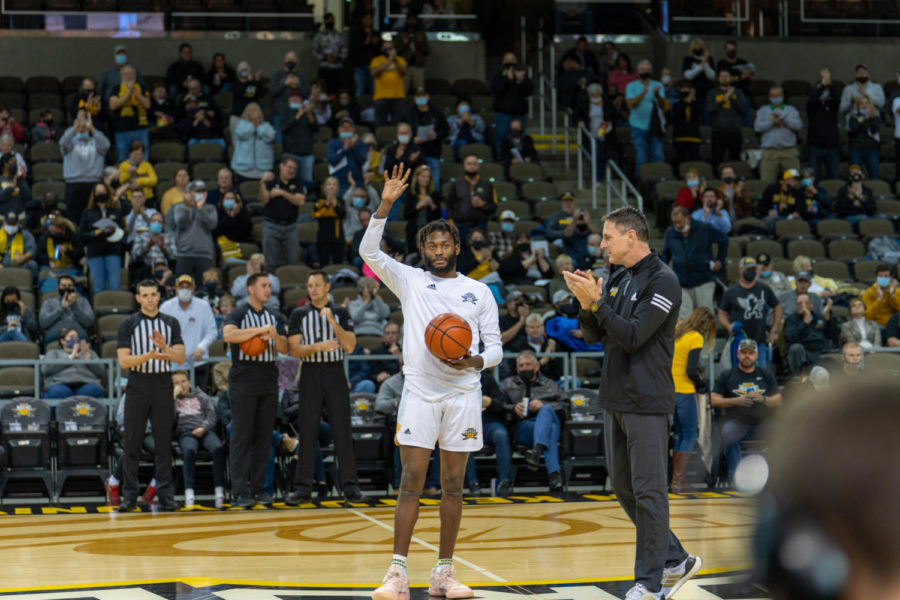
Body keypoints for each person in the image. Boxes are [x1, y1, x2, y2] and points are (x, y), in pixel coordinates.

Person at [363, 166, 502, 600]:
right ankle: (397, 573)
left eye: (445, 244)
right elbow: (368, 251)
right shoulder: (410, 280)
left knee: (454, 486)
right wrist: (385, 204)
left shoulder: (478, 292)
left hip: (462, 393)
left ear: (457, 247)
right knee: (411, 481)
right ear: (422, 249)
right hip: (420, 392)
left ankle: (443, 572)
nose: (439, 251)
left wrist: (474, 360)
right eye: (431, 245)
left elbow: (496, 347)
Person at [564, 206, 701, 600]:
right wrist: (585, 302)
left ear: (631, 237)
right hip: (615, 397)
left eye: (607, 237)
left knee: (649, 491)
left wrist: (599, 303)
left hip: (647, 401)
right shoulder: (618, 278)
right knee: (624, 488)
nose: (601, 243)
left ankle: (650, 583)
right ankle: (676, 558)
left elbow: (634, 335)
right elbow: (595, 335)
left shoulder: (664, 281)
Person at [285, 270, 363, 505]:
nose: (313, 289)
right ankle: (302, 488)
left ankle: (350, 487)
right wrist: (318, 347)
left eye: (318, 284)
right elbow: (294, 350)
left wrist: (332, 323)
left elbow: (349, 346)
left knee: (342, 430)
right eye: (310, 285)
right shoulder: (298, 314)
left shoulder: (340, 312)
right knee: (308, 431)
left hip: (335, 372)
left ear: (328, 287)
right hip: (310, 373)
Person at [115, 279, 186, 512]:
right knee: (132, 443)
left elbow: (180, 358)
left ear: (159, 296)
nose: (149, 299)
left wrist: (164, 349)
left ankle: (166, 497)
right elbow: (124, 361)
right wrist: (149, 355)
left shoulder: (171, 323)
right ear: (138, 298)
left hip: (163, 384)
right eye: (144, 295)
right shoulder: (128, 324)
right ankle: (129, 496)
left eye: (153, 295)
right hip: (137, 384)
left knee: (164, 444)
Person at [222, 272, 289, 507]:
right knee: (241, 435)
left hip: (269, 374)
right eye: (264, 286)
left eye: (269, 286)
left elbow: (284, 346)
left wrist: (274, 335)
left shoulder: (275, 315)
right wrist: (258, 332)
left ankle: (261, 489)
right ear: (251, 289)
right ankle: (240, 492)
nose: (268, 290)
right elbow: (228, 334)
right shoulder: (238, 313)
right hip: (244, 375)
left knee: (264, 436)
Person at [709, 338, 780, 483]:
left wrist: (763, 399)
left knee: (780, 432)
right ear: (737, 355)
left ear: (756, 355)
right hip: (737, 423)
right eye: (743, 352)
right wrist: (736, 400)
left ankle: (775, 477)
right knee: (728, 432)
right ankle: (735, 478)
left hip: (761, 423)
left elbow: (779, 400)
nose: (747, 355)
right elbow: (713, 400)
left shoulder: (766, 374)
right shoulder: (727, 375)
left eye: (750, 353)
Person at [500, 350, 564, 493]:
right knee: (551, 430)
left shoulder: (550, 384)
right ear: (517, 369)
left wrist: (543, 404)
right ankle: (554, 476)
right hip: (524, 427)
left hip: (548, 419)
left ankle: (536, 450)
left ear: (537, 366)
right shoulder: (507, 384)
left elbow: (566, 405)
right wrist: (513, 407)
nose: (524, 368)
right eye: (521, 365)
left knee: (546, 409)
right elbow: (498, 405)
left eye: (528, 364)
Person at [669, 307, 716, 493]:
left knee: (681, 434)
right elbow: (690, 369)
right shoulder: (696, 337)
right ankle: (678, 482)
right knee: (690, 434)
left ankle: (675, 480)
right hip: (685, 390)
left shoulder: (677, 332)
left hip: (670, 390)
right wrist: (700, 383)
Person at [171, 370, 225, 509]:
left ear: (189, 382)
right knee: (189, 450)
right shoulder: (172, 399)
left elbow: (212, 416)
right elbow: (168, 420)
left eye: (183, 381)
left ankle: (219, 490)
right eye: (176, 383)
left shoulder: (201, 396)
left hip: (205, 430)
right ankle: (189, 491)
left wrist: (203, 427)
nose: (181, 385)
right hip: (185, 432)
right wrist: (173, 397)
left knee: (218, 448)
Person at [662, 205, 727, 319]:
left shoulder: (704, 228)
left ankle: (707, 338)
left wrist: (720, 260)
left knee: (705, 318)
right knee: (683, 319)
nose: (676, 225)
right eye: (674, 222)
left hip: (703, 280)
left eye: (679, 222)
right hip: (681, 282)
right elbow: (666, 253)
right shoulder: (670, 232)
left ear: (687, 218)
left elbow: (724, 240)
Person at [718, 256, 782, 367]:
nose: (751, 272)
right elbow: (722, 313)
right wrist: (728, 326)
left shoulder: (764, 288)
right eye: (748, 270)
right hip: (738, 341)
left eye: (753, 269)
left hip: (759, 341)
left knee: (761, 374)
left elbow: (777, 307)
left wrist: (774, 329)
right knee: (736, 374)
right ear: (740, 270)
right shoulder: (731, 291)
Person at [160, 274, 217, 389]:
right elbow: (159, 333)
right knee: (173, 400)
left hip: (197, 362)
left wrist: (202, 347)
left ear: (194, 289)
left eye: (188, 287)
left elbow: (212, 331)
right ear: (175, 289)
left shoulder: (203, 306)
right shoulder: (166, 307)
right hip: (173, 364)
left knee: (198, 399)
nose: (184, 290)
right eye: (181, 287)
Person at [260, 155, 306, 269]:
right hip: (271, 225)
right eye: (289, 167)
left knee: (292, 262)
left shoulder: (297, 183)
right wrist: (262, 182)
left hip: (291, 226)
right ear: (281, 166)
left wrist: (282, 193)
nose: (291, 171)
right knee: (269, 263)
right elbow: (264, 199)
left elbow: (300, 201)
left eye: (294, 169)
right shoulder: (271, 181)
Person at [60, 114, 110, 221]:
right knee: (73, 216)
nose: (81, 130)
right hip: (73, 183)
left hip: (93, 183)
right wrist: (74, 127)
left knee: (93, 215)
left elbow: (106, 145)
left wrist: (92, 128)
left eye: (84, 127)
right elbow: (62, 142)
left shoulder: (96, 142)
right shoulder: (70, 142)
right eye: (79, 127)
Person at [79, 183, 125, 293]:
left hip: (113, 249)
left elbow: (123, 231)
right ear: (94, 194)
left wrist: (114, 229)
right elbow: (82, 234)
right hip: (95, 250)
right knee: (98, 286)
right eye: (98, 192)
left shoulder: (116, 210)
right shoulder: (87, 212)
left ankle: (115, 308)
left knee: (114, 284)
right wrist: (95, 233)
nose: (101, 194)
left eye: (103, 192)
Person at [625, 60, 668, 175]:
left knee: (658, 155)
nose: (645, 72)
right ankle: (640, 184)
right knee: (641, 156)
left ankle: (659, 182)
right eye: (643, 69)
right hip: (637, 125)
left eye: (648, 70)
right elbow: (630, 104)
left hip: (655, 126)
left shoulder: (658, 85)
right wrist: (644, 92)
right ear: (638, 71)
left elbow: (663, 106)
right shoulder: (631, 86)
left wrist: (657, 95)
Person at [754, 86, 803, 184]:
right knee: (767, 182)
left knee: (794, 181)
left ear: (783, 96)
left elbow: (798, 126)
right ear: (769, 97)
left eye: (778, 95)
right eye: (773, 95)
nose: (775, 97)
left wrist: (784, 120)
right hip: (769, 152)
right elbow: (757, 127)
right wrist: (772, 122)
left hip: (789, 151)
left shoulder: (791, 110)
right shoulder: (763, 110)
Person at [172, 180, 217, 283]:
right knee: (183, 286)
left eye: (202, 191)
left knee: (203, 287)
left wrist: (200, 209)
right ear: (189, 193)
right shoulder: (180, 207)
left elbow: (212, 224)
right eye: (196, 191)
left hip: (204, 255)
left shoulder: (210, 208)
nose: (199, 194)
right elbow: (180, 223)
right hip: (184, 254)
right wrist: (187, 206)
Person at [445, 154, 497, 242]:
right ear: (464, 166)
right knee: (461, 253)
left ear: (478, 166)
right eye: (469, 164)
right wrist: (450, 221)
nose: (472, 166)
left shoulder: (487, 184)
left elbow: (494, 206)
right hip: (461, 226)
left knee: (481, 253)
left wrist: (483, 205)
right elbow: (449, 205)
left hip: (481, 226)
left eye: (474, 164)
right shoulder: (456, 184)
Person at [42, 328, 105, 399]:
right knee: (59, 392)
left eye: (77, 337)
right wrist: (70, 357)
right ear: (62, 341)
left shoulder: (89, 353)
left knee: (92, 391)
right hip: (59, 383)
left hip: (87, 383)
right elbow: (46, 369)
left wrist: (88, 358)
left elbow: (101, 372)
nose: (75, 340)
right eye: (71, 337)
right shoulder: (53, 352)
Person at [108, 65, 151, 165]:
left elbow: (147, 105)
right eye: (125, 74)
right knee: (123, 158)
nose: (128, 76)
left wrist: (135, 91)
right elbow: (113, 105)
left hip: (141, 129)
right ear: (121, 76)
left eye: (130, 74)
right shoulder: (116, 89)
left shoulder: (142, 88)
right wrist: (128, 93)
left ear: (135, 76)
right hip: (122, 130)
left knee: (143, 157)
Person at [491, 52, 533, 152]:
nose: (510, 62)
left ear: (516, 61)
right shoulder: (498, 77)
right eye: (507, 60)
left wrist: (521, 81)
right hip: (503, 114)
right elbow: (496, 90)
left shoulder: (521, 76)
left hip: (519, 114)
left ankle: (520, 159)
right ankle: (501, 158)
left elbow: (528, 91)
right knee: (501, 137)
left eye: (512, 60)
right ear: (503, 62)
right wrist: (507, 79)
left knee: (520, 139)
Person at [784, 293, 835, 375]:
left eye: (805, 303)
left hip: (821, 352)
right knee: (795, 348)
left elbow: (833, 335)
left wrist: (828, 320)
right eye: (799, 303)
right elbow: (791, 338)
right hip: (804, 353)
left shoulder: (819, 317)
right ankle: (798, 377)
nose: (802, 306)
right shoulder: (791, 320)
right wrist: (805, 322)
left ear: (811, 305)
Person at [404, 89, 447, 185]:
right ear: (414, 99)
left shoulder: (437, 113)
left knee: (434, 182)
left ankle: (434, 199)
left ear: (428, 97)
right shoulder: (409, 114)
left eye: (423, 96)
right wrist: (412, 139)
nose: (421, 99)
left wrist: (437, 134)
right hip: (414, 153)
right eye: (418, 96)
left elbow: (445, 130)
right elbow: (402, 131)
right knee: (414, 183)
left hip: (432, 151)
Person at [707, 68, 747, 167]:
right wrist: (724, 99)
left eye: (726, 76)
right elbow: (710, 108)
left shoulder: (738, 92)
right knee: (717, 158)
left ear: (731, 78)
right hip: (718, 131)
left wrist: (731, 97)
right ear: (718, 78)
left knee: (735, 159)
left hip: (735, 130)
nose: (724, 78)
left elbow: (743, 109)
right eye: (722, 76)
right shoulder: (713, 93)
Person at [38, 274, 94, 345]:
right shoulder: (48, 302)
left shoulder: (83, 301)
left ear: (74, 288)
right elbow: (43, 322)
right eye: (63, 286)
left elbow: (89, 322)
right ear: (58, 288)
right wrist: (61, 308)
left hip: (78, 336)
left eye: (70, 286)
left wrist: (75, 306)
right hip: (56, 337)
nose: (67, 288)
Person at [807, 68, 841, 180]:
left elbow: (837, 98)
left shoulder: (832, 106)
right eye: (821, 90)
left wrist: (829, 84)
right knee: (814, 178)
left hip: (831, 147)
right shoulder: (812, 106)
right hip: (815, 146)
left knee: (834, 177)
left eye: (824, 90)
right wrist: (822, 85)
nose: (823, 92)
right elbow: (812, 100)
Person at [269, 51, 310, 142]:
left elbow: (307, 94)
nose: (290, 61)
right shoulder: (277, 75)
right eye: (288, 59)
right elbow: (272, 92)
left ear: (297, 62)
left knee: (295, 140)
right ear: (284, 61)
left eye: (293, 59)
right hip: (279, 113)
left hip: (297, 114)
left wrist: (298, 85)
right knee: (279, 140)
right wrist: (285, 83)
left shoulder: (302, 77)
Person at [281, 88, 318, 187]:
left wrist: (309, 113)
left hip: (307, 152)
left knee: (307, 182)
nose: (295, 99)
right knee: (289, 181)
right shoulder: (285, 111)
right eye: (293, 97)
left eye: (297, 97)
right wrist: (298, 115)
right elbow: (283, 128)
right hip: (290, 152)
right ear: (289, 99)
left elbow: (316, 129)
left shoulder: (308, 112)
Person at [174, 77, 224, 150]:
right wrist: (184, 102)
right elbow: (176, 117)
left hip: (209, 129)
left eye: (195, 88)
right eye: (191, 89)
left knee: (222, 143)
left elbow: (218, 113)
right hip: (193, 135)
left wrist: (205, 113)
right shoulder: (183, 99)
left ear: (200, 87)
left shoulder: (207, 98)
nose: (193, 91)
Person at [232, 102, 277, 181]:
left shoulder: (266, 125)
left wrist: (259, 126)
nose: (252, 112)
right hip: (243, 169)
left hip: (263, 169)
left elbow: (271, 137)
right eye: (250, 110)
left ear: (259, 111)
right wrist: (253, 124)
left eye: (255, 109)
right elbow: (242, 134)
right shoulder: (241, 124)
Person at [403, 165, 442, 252]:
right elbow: (406, 214)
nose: (426, 179)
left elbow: (439, 215)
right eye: (423, 176)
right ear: (417, 177)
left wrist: (432, 204)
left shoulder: (434, 194)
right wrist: (417, 207)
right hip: (414, 231)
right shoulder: (411, 194)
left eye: (428, 177)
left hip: (431, 231)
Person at [370, 39, 407, 127]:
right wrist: (389, 60)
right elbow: (374, 73)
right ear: (382, 50)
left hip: (398, 97)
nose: (388, 51)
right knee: (380, 124)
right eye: (386, 49)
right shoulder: (377, 60)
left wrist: (394, 60)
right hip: (381, 97)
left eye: (390, 49)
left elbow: (404, 72)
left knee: (397, 125)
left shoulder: (400, 60)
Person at [312, 176, 347, 266]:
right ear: (324, 188)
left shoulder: (341, 201)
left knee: (338, 265)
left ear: (338, 189)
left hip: (338, 238)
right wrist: (327, 203)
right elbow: (316, 215)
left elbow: (342, 214)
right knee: (324, 264)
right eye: (329, 184)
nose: (331, 187)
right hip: (323, 238)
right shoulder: (319, 201)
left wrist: (334, 203)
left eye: (334, 185)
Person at [131, 211, 176, 281]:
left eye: (160, 222)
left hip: (165, 270)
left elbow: (174, 257)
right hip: (146, 270)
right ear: (149, 223)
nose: (156, 223)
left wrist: (163, 248)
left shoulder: (169, 237)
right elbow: (134, 255)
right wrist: (148, 246)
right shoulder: (141, 236)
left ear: (163, 225)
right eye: (154, 221)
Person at [847, 95, 883, 181]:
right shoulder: (853, 116)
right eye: (861, 103)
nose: (864, 105)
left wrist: (872, 118)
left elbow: (875, 130)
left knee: (874, 175)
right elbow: (854, 128)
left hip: (872, 149)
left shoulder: (875, 117)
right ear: (858, 105)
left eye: (867, 103)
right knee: (855, 176)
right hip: (856, 148)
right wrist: (865, 118)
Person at [327, 117, 367, 194]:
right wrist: (344, 150)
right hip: (339, 183)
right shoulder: (333, 143)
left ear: (353, 129)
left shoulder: (360, 143)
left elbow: (362, 161)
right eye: (343, 127)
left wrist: (354, 148)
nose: (346, 129)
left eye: (349, 127)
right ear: (339, 129)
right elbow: (332, 161)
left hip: (357, 181)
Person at [212, 187, 253, 260]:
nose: (229, 201)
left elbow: (248, 230)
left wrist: (236, 213)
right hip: (221, 244)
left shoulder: (242, 214)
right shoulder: (217, 212)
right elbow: (217, 230)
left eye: (232, 199)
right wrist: (230, 216)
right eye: (227, 199)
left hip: (239, 243)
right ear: (222, 201)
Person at [312, 12, 347, 94]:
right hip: (324, 67)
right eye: (328, 20)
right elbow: (314, 50)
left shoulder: (339, 35)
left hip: (337, 67)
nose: (330, 21)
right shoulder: (319, 36)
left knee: (337, 91)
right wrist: (325, 57)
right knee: (323, 90)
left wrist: (338, 58)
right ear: (324, 21)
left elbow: (345, 49)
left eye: (332, 20)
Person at [349, 11, 382, 96]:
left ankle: (374, 109)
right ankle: (358, 109)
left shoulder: (376, 34)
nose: (368, 20)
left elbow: (381, 50)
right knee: (359, 91)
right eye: (366, 18)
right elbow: (353, 49)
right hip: (360, 66)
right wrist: (365, 42)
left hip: (374, 67)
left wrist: (376, 43)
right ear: (362, 20)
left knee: (375, 91)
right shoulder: (357, 34)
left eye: (370, 18)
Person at [395, 14, 429, 93]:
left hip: (418, 66)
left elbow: (427, 51)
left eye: (414, 20)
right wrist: (405, 44)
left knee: (420, 91)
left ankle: (421, 105)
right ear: (406, 21)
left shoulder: (421, 34)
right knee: (403, 90)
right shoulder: (401, 34)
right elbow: (395, 51)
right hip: (404, 67)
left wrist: (420, 43)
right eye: (410, 20)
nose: (412, 22)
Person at [230, 61, 265, 137]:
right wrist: (245, 82)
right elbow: (238, 92)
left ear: (249, 71)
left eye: (246, 69)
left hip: (251, 117)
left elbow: (261, 94)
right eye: (242, 70)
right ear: (238, 72)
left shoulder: (253, 82)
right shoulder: (235, 83)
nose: (244, 72)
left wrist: (256, 81)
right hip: (237, 116)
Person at [670, 80, 701, 166]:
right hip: (680, 136)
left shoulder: (696, 103)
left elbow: (698, 113)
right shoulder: (676, 104)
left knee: (695, 160)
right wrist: (687, 101)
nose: (685, 90)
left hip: (694, 135)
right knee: (680, 160)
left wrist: (692, 100)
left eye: (688, 88)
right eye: (683, 88)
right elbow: (678, 113)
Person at [118, 139, 158, 204]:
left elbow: (154, 180)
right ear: (130, 154)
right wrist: (128, 173)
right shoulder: (123, 165)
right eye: (135, 154)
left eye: (140, 154)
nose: (138, 157)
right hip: (129, 198)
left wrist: (138, 181)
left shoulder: (147, 165)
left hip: (146, 198)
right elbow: (120, 181)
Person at [0, 211, 38, 278]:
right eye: (9, 223)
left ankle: (31, 286)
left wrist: (23, 257)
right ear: (4, 223)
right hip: (2, 264)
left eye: (13, 224)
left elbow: (32, 250)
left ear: (18, 223)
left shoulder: (25, 234)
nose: (11, 226)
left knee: (32, 264)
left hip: (20, 265)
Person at [861, 263, 900, 327]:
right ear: (876, 277)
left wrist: (893, 296)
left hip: (895, 325)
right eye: (880, 276)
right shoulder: (868, 293)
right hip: (878, 326)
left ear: (891, 278)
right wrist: (879, 299)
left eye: (886, 276)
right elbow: (867, 316)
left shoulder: (897, 292)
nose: (883, 278)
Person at [681, 38, 715, 112]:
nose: (698, 49)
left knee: (706, 116)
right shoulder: (688, 59)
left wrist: (705, 61)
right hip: (692, 93)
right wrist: (702, 63)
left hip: (707, 92)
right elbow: (689, 76)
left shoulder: (709, 59)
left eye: (700, 48)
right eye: (695, 48)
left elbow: (711, 76)